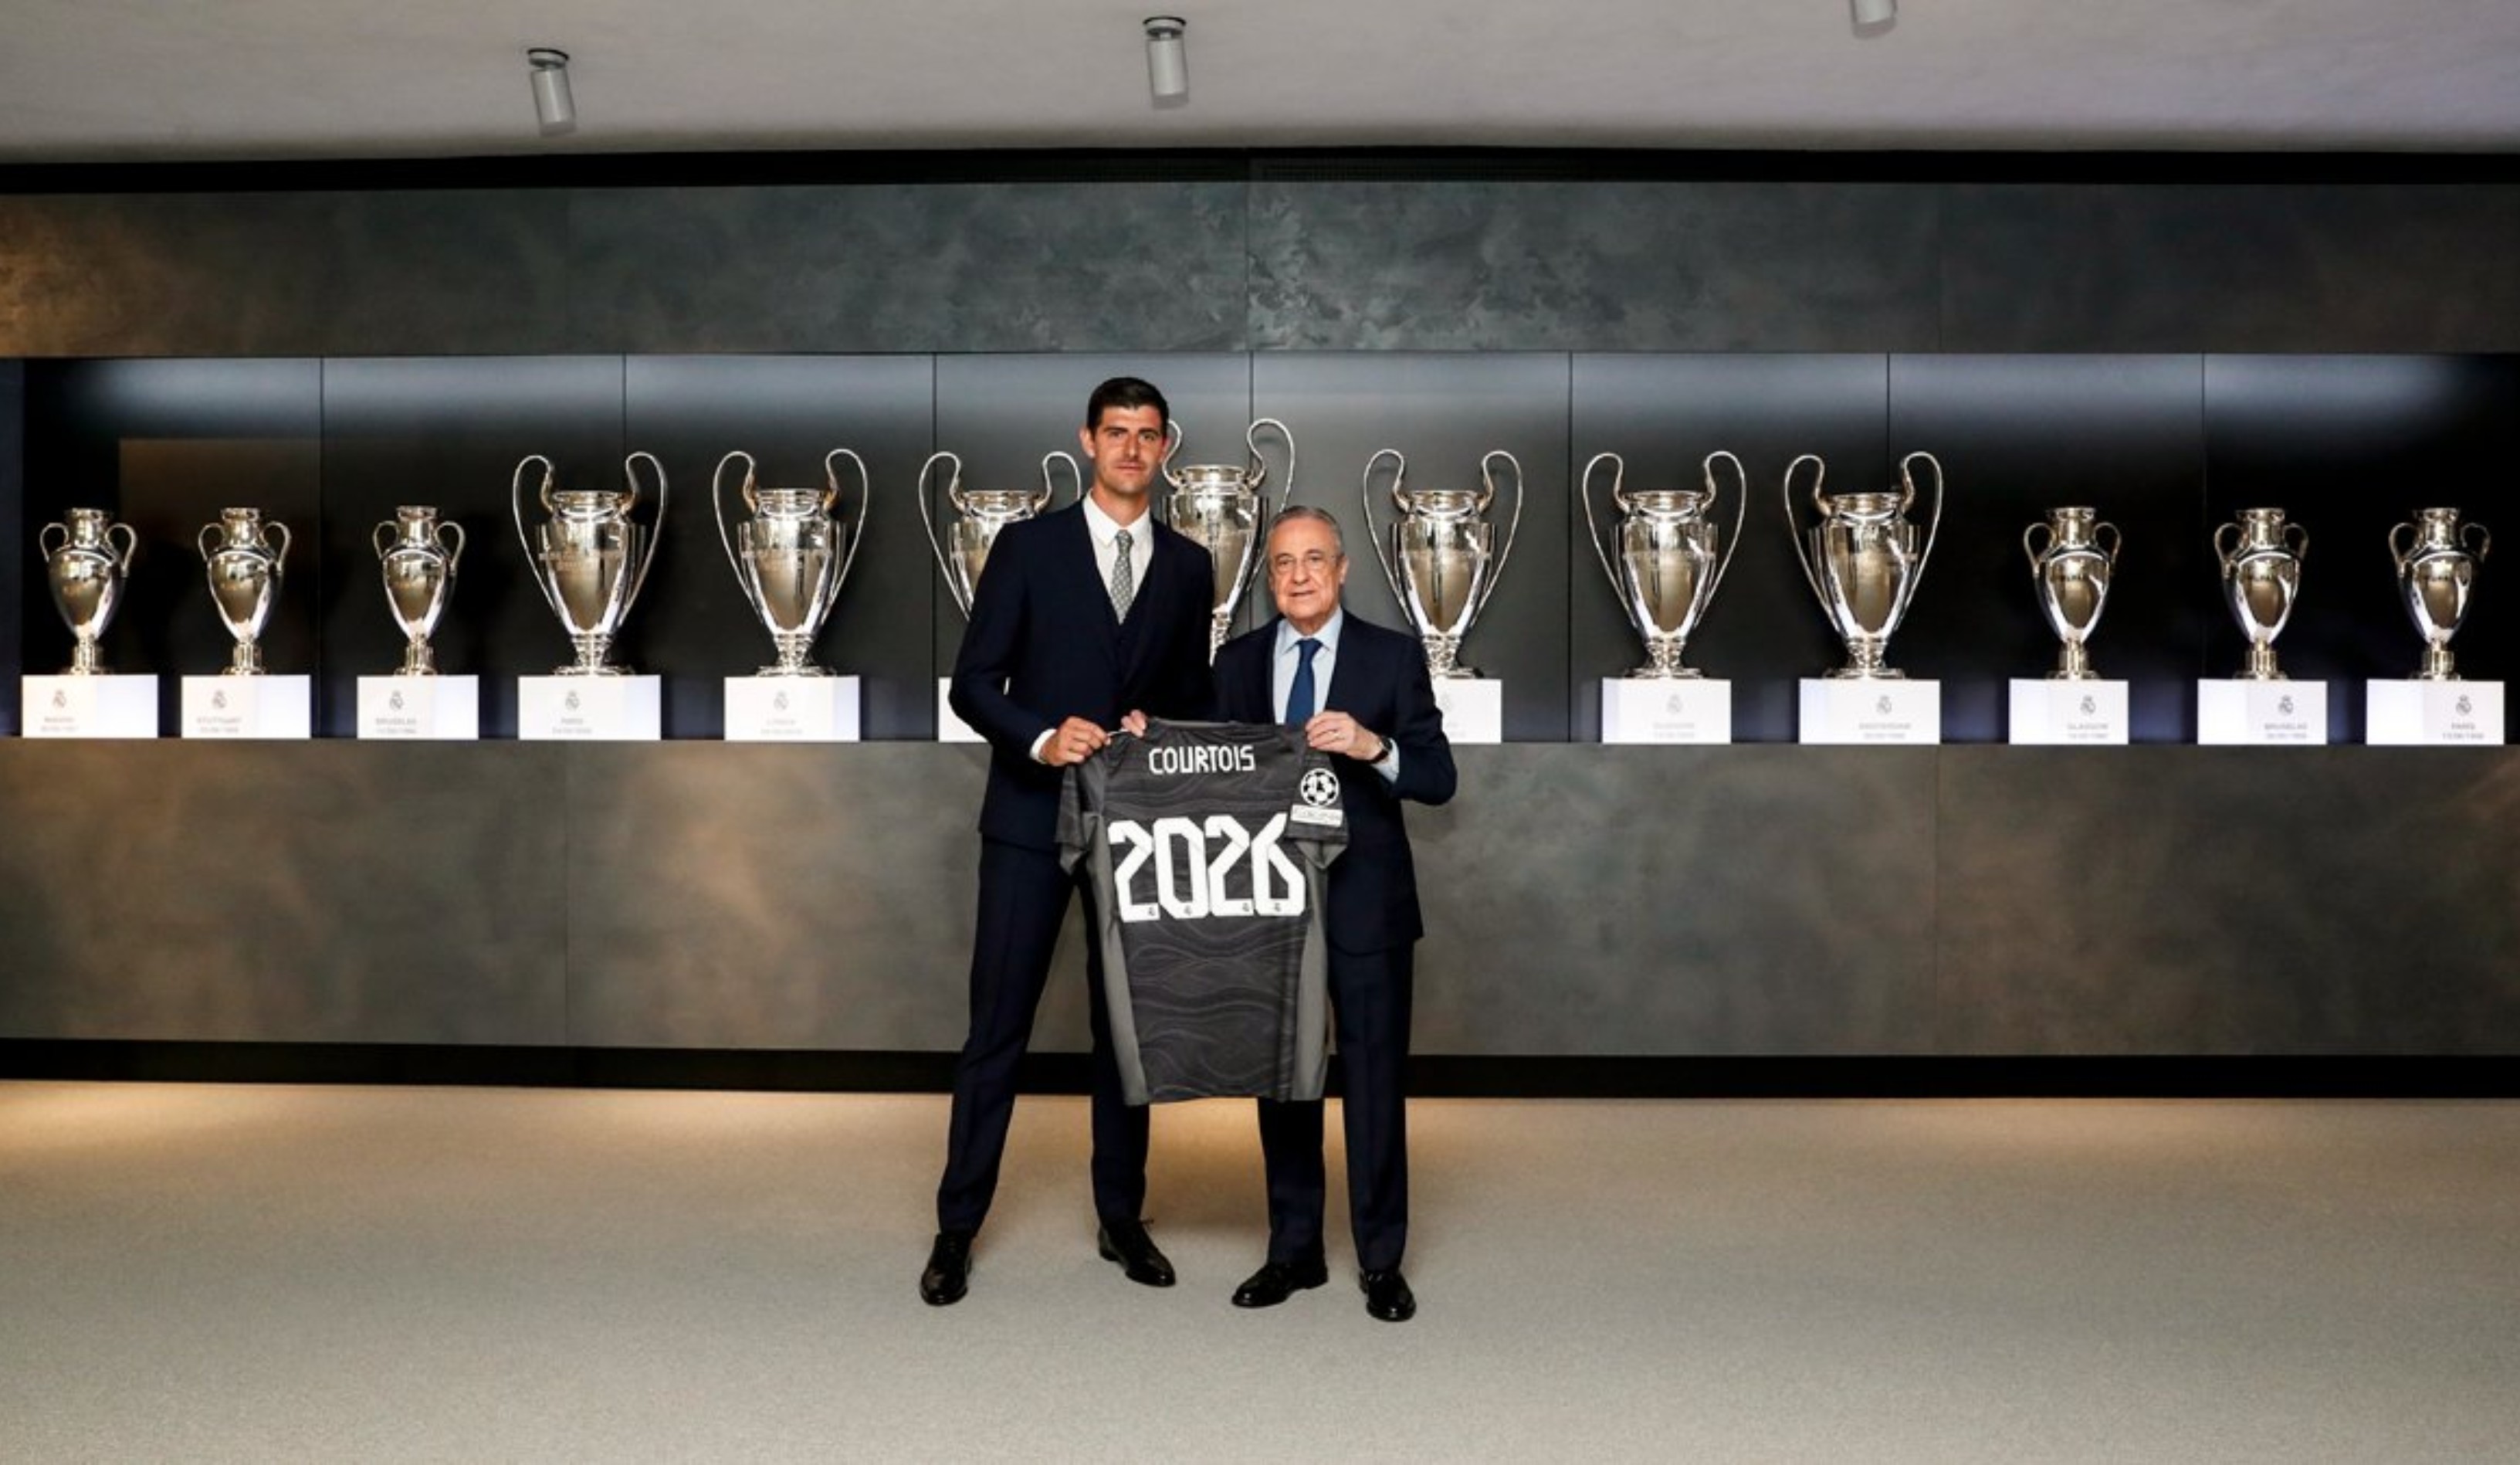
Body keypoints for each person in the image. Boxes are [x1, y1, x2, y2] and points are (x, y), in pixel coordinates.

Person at [921, 377, 1215, 1307]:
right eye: (1116, 433)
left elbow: (1196, 703)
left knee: (1125, 1033)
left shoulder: (1190, 564)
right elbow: (974, 685)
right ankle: (956, 1228)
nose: (1132, 449)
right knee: (995, 1031)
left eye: (1148, 435)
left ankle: (1121, 1218)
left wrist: (1154, 724)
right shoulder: (1027, 546)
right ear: (1087, 441)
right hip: (1027, 820)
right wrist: (1045, 736)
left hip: (1134, 829)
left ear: (1167, 448)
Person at [1210, 506, 1455, 1322]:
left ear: (1344, 569)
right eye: (1283, 563)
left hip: (1367, 904)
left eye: (1315, 559)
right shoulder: (1238, 661)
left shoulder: (1392, 657)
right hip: (1270, 900)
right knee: (1284, 1081)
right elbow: (1208, 770)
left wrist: (1372, 746)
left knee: (1375, 1081)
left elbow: (1438, 774)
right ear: (1268, 575)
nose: (1300, 575)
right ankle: (1295, 1249)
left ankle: (1382, 1260)